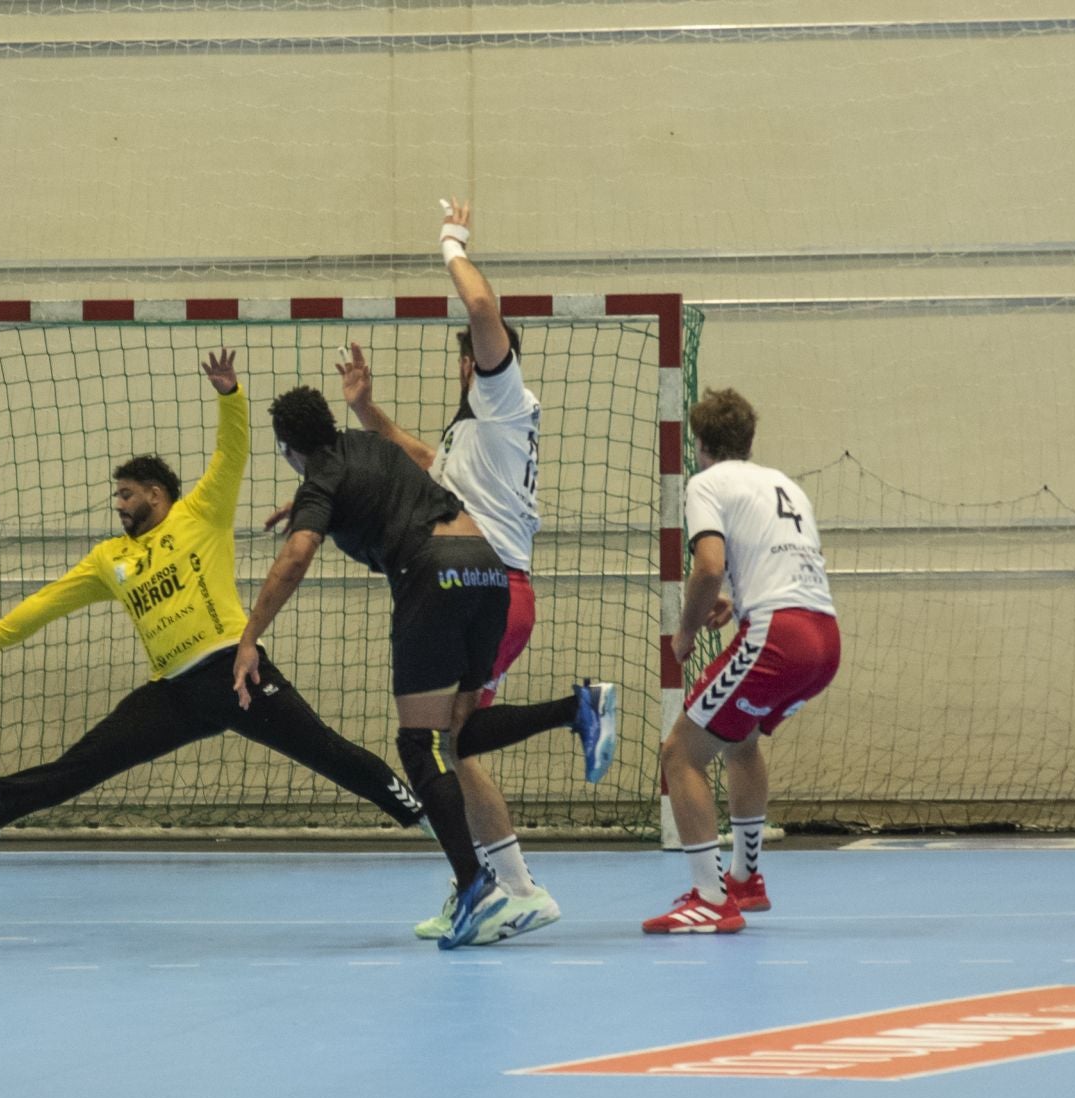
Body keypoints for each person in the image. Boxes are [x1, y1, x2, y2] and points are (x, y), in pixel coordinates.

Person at [0, 350, 430, 848]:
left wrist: (229, 396)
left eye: (126, 494)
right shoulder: (109, 559)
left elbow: (231, 453)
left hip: (233, 671)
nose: (119, 505)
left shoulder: (201, 514)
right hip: (174, 692)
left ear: (156, 493)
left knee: (327, 752)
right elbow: (49, 601)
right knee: (88, 760)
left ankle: (428, 815)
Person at [332, 197, 619, 937]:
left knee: (441, 742)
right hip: (481, 584)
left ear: (475, 362)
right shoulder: (475, 438)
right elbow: (427, 461)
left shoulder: (501, 396)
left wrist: (451, 242)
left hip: (491, 586)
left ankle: (574, 718)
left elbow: (485, 307)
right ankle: (510, 884)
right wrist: (367, 414)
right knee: (455, 743)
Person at [237, 379, 561, 950]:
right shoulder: (372, 448)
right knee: (456, 736)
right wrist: (315, 502)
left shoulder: (321, 479)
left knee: (421, 745)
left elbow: (296, 555)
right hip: (488, 569)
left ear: (288, 448)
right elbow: (379, 486)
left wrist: (249, 637)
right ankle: (577, 708)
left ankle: (476, 892)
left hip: (433, 575)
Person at [645, 387, 840, 935]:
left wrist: (684, 633)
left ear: (699, 443)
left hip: (779, 636)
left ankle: (709, 898)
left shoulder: (707, 482)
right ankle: (746, 880)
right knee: (741, 738)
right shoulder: (785, 485)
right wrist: (737, 595)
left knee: (679, 752)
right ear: (748, 440)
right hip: (824, 637)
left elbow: (707, 567)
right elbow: (775, 562)